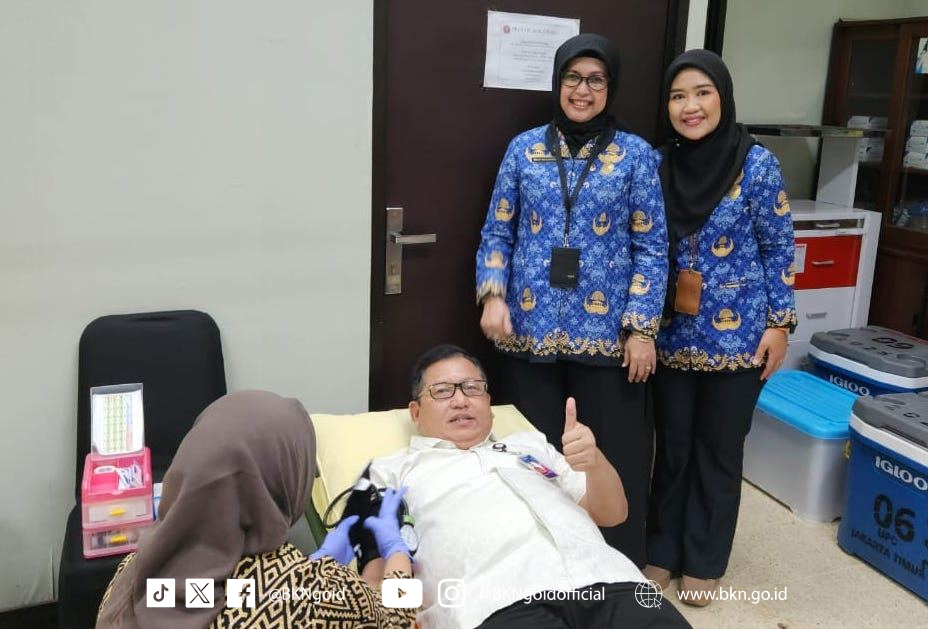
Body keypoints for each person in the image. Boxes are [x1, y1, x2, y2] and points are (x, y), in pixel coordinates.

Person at [475, 32, 667, 568]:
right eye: (573, 78)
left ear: (611, 87)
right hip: (527, 333)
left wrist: (642, 327)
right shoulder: (523, 149)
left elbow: (652, 246)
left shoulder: (636, 155)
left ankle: (619, 565)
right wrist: (493, 295)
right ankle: (538, 564)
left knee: (611, 455)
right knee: (531, 456)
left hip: (608, 341)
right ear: (558, 83)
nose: (583, 90)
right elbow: (497, 232)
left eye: (596, 80)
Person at [364, 345, 689, 629]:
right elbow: (375, 574)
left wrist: (596, 463)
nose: (461, 400)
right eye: (443, 391)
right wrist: (400, 611)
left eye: (472, 388)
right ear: (416, 412)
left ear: (489, 403)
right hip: (493, 603)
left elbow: (613, 514)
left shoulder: (531, 445)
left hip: (607, 578)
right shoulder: (392, 471)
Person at [644, 50, 797, 605]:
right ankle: (662, 550)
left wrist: (780, 325)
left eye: (702, 93)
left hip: (740, 337)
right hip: (672, 335)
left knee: (719, 449)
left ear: (723, 98)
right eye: (678, 95)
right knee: (673, 448)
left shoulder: (756, 164)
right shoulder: (657, 164)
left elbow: (779, 247)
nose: (690, 106)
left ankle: (705, 559)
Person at [96, 390, 415, 629]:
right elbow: (399, 616)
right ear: (284, 480)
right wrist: (394, 550)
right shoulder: (313, 592)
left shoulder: (135, 568)